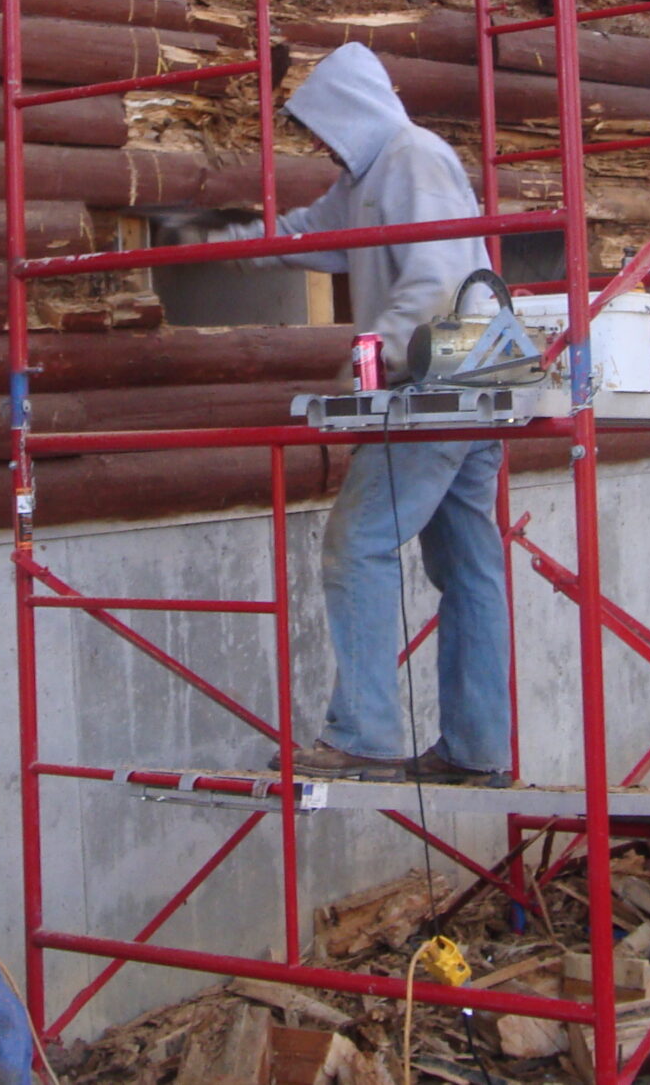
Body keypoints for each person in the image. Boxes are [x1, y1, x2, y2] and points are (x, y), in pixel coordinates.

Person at [212, 43, 511, 785]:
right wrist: (227, 247)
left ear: (353, 109)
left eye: (323, 127)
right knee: (466, 564)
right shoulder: (369, 176)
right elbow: (314, 234)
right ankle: (478, 750)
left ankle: (367, 735)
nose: (320, 145)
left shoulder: (412, 156)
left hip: (443, 381)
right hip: (474, 379)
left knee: (359, 541)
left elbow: (437, 281)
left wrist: (369, 359)